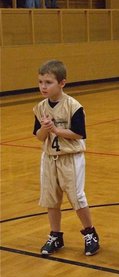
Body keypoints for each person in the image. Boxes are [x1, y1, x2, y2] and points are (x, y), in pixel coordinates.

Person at [33, 60, 100, 257]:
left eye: (48, 82)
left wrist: (56, 129)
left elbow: (79, 134)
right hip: (49, 158)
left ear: (62, 83)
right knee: (51, 199)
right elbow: (38, 136)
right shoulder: (39, 108)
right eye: (40, 82)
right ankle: (55, 235)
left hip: (71, 157)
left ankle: (90, 233)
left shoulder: (73, 106)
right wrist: (45, 130)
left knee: (77, 197)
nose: (43, 86)